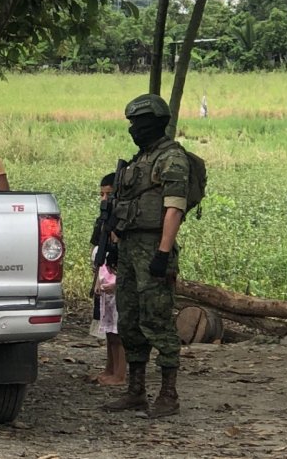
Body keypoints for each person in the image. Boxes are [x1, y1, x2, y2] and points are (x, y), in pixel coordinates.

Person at [103, 93, 191, 419]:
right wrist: (116, 243)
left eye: (138, 123)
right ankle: (136, 391)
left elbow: (174, 208)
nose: (133, 129)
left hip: (154, 247)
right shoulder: (141, 158)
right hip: (129, 248)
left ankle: (169, 394)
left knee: (157, 319)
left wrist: (163, 253)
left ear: (154, 123)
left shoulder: (171, 158)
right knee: (129, 318)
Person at [91, 172, 125, 386]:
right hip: (105, 281)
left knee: (120, 331)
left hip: (119, 282)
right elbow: (97, 250)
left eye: (109, 194)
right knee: (109, 329)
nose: (104, 199)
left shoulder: (123, 222)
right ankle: (109, 368)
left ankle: (120, 373)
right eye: (101, 194)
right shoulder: (102, 222)